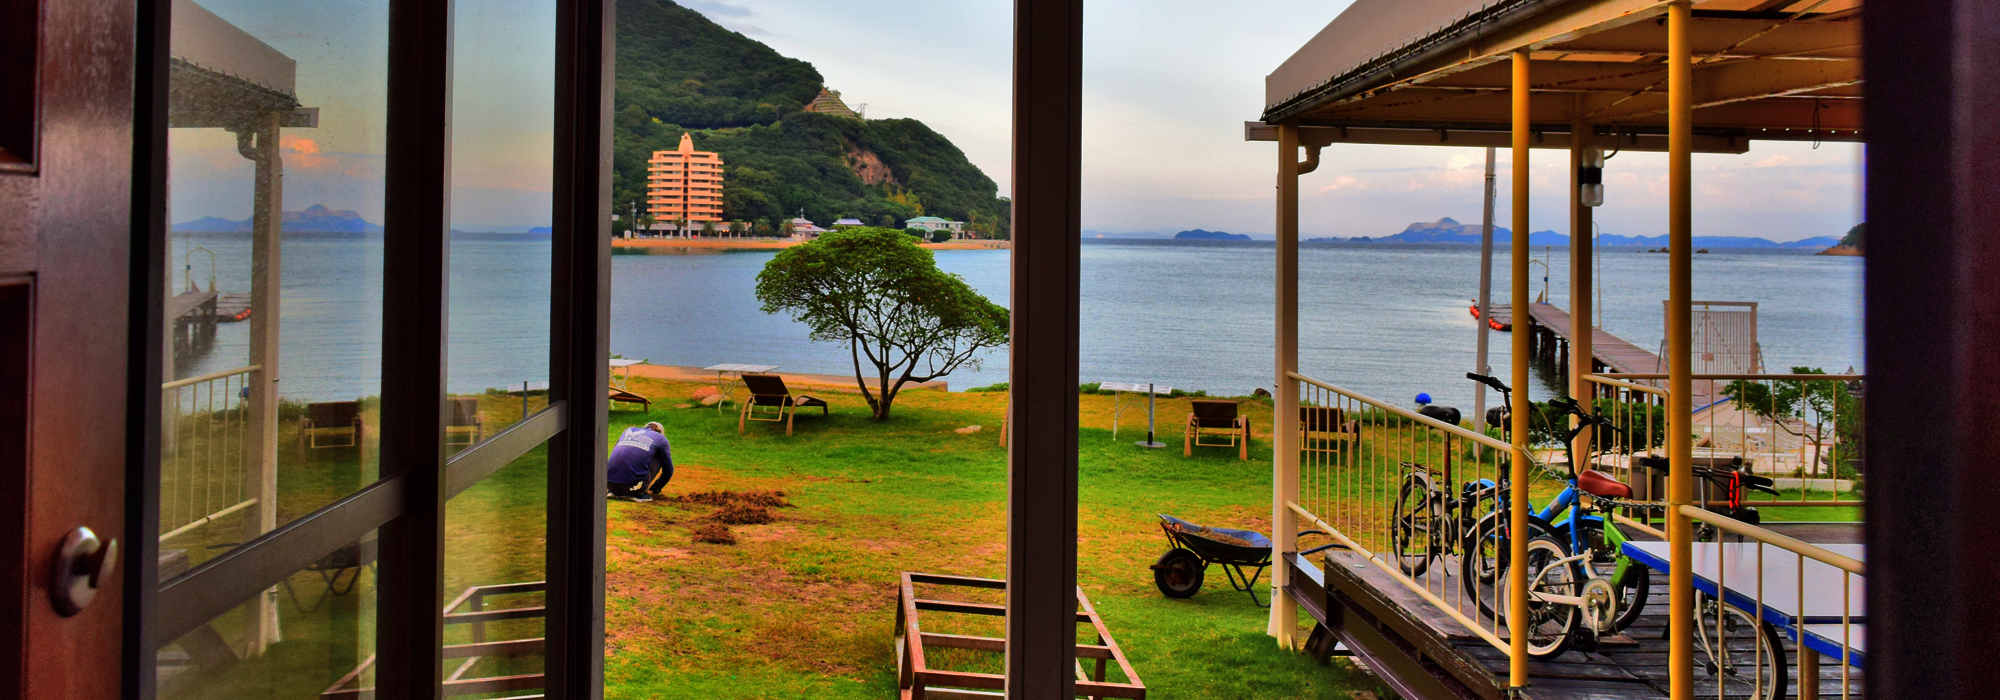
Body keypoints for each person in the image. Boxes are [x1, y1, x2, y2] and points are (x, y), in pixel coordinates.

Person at [607, 421, 673, 502]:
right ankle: (638, 493)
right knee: (661, 455)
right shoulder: (661, 438)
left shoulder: (628, 430)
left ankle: (615, 490)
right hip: (636, 487)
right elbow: (668, 470)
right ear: (660, 432)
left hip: (610, 484)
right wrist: (657, 487)